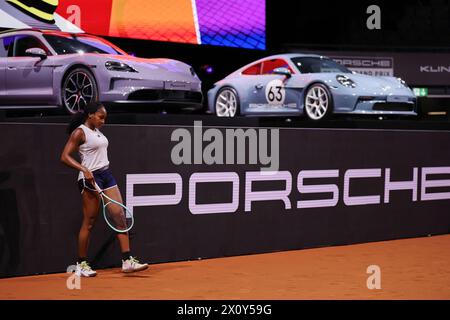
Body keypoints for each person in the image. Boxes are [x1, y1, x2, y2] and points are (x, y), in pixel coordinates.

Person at [60, 102, 148, 277]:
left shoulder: (97, 132)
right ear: (90, 115)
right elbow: (64, 156)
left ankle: (127, 261)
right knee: (90, 222)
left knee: (120, 216)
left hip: (106, 175)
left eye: (105, 118)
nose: (103, 121)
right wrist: (84, 170)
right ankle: (81, 264)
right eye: (101, 117)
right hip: (90, 179)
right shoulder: (80, 132)